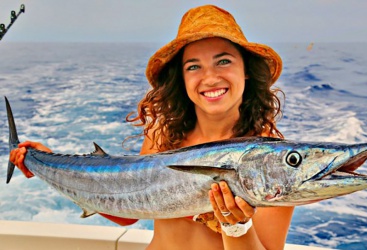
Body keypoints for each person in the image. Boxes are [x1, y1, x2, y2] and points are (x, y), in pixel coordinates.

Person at [9, 5, 294, 250]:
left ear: (246, 69)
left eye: (223, 61)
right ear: (181, 78)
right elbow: (128, 208)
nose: (209, 77)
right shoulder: (164, 135)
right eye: (193, 66)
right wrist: (52, 168)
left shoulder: (272, 163)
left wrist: (236, 227)